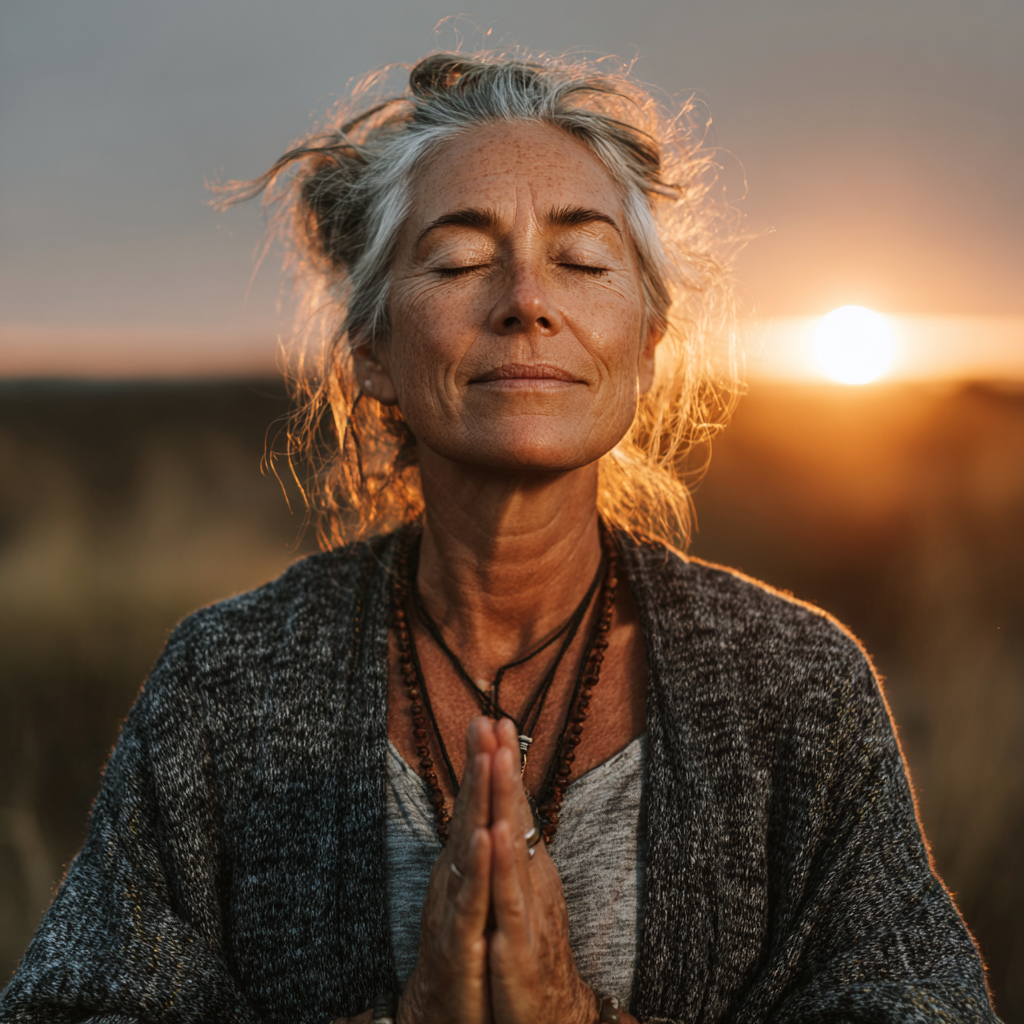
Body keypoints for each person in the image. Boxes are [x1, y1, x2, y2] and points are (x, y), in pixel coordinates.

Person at [0, 52, 998, 1024]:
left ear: (647, 347)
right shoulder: (227, 683)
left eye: (582, 259)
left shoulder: (795, 685)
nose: (526, 301)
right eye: (461, 259)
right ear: (374, 351)